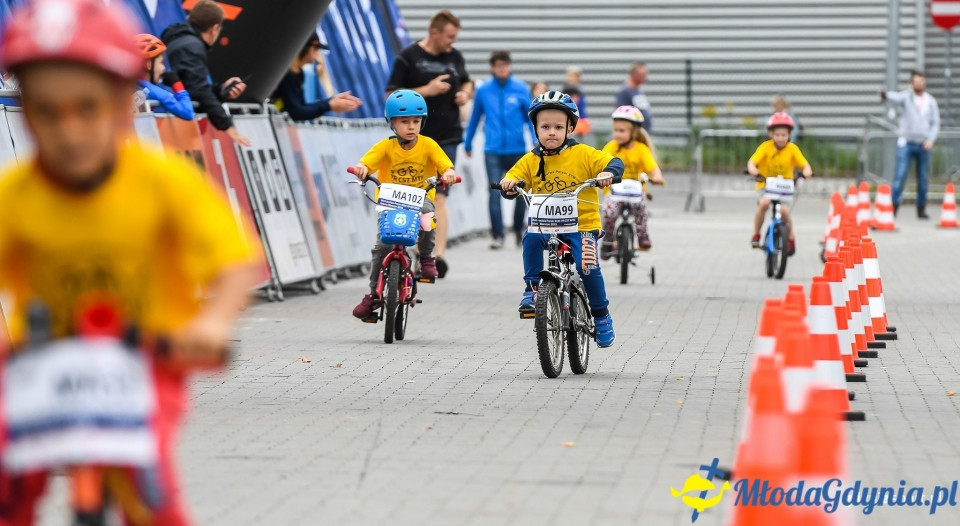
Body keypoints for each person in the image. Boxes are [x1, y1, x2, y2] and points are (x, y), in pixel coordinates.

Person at [0, 1, 262, 524]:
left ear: (123, 103)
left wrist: (211, 324)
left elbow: (235, 262)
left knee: (149, 490)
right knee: (10, 485)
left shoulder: (163, 183)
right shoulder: (17, 195)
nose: (68, 132)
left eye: (87, 108)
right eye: (47, 113)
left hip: (145, 365)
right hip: (41, 365)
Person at [499, 91, 624, 348]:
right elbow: (512, 178)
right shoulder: (532, 159)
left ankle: (601, 315)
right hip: (545, 224)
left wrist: (608, 172)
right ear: (535, 129)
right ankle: (532, 290)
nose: (552, 132)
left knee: (587, 266)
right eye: (545, 127)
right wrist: (509, 184)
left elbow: (614, 161)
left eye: (558, 126)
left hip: (582, 226)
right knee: (530, 239)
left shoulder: (584, 154)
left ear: (570, 128)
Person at [351, 90, 458, 319]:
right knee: (382, 247)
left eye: (416, 121)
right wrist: (362, 168)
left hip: (419, 201)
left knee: (429, 216)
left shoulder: (428, 145)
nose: (411, 126)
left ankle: (427, 257)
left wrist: (448, 172)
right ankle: (373, 295)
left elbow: (444, 165)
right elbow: (366, 163)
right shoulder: (385, 147)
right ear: (391, 123)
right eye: (405, 121)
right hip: (390, 203)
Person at [386, 10, 471, 279]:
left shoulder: (455, 57)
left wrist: (464, 94)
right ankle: (408, 246)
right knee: (411, 196)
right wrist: (427, 90)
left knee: (439, 197)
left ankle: (437, 255)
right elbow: (390, 95)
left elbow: (467, 81)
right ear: (434, 32)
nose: (452, 43)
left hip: (447, 137)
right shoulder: (409, 57)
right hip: (413, 140)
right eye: (449, 37)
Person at [464, 50, 533, 249]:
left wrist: (537, 139)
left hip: (517, 149)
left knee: (520, 191)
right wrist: (467, 143)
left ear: (509, 66)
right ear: (492, 68)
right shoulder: (484, 90)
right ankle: (497, 235)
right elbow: (475, 118)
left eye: (505, 65)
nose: (502, 68)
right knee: (494, 192)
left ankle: (518, 230)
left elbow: (531, 118)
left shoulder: (521, 88)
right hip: (492, 150)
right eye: (498, 65)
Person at [161, 0, 251, 146]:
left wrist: (221, 90)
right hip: (167, 123)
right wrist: (229, 127)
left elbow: (191, 86)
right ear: (214, 29)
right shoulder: (192, 46)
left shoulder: (176, 36)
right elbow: (199, 90)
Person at [746, 112, 813, 256]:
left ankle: (791, 237)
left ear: (789, 135)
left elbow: (806, 167)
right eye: (777, 134)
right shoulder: (765, 147)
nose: (780, 138)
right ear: (771, 134)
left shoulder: (793, 149)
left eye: (784, 135)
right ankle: (756, 234)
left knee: (784, 212)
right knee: (764, 203)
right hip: (766, 185)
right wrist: (754, 171)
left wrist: (805, 173)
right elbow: (752, 162)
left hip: (785, 187)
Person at [601, 106, 664, 255]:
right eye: (615, 130)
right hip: (614, 190)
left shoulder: (641, 149)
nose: (617, 134)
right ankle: (608, 241)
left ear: (634, 132)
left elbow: (652, 167)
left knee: (641, 209)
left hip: (635, 190)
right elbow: (600, 163)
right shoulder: (611, 147)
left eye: (622, 131)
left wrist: (656, 177)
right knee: (609, 213)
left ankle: (643, 236)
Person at [881, 70, 941, 219]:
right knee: (900, 175)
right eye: (916, 81)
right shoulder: (906, 98)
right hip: (906, 143)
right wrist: (886, 95)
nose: (919, 83)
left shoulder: (930, 101)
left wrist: (930, 140)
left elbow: (935, 123)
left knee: (923, 178)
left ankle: (921, 209)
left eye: (921, 81)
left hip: (923, 144)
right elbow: (895, 97)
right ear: (911, 83)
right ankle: (893, 208)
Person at [272, 33, 362, 121]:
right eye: (317, 50)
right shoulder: (288, 75)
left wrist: (331, 102)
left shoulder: (296, 74)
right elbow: (296, 112)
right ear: (311, 49)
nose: (318, 57)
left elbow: (301, 107)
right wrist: (329, 105)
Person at [134, 33, 195, 120]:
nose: (164, 68)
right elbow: (188, 113)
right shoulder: (151, 90)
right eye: (161, 62)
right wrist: (177, 84)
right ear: (149, 64)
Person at [615, 62, 652, 132]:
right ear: (634, 74)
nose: (645, 77)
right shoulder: (625, 91)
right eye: (642, 74)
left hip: (644, 132)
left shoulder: (638, 90)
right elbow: (619, 113)